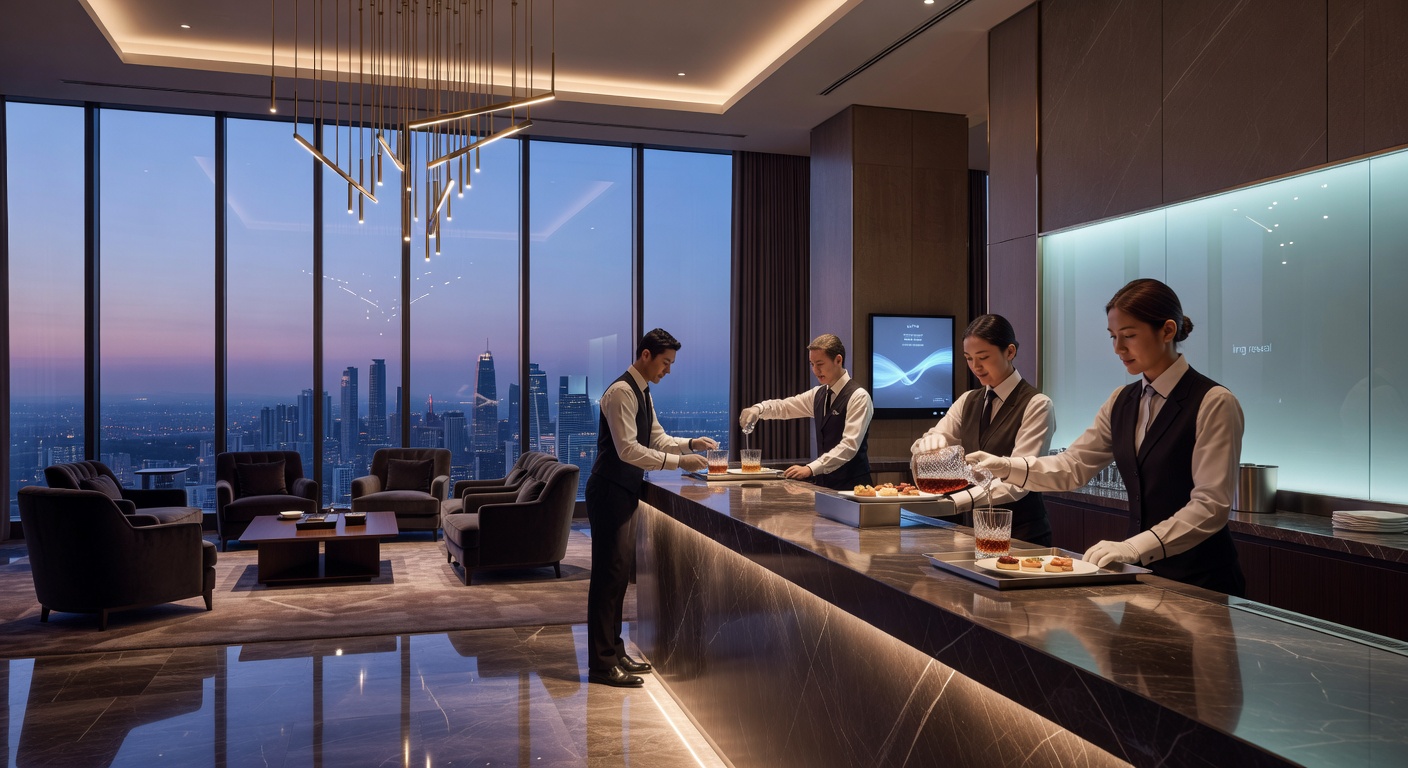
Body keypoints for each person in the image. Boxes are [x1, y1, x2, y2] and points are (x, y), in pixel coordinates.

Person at [967, 278, 1246, 595]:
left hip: (1203, 581)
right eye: (1114, 337)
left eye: (1128, 336)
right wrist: (1006, 467)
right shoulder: (1122, 401)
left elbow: (1211, 506)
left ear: (1168, 331)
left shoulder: (1213, 402)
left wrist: (1135, 547)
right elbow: (1073, 466)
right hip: (1142, 578)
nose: (1118, 348)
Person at [586, 328, 716, 688]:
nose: (668, 371)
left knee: (618, 576)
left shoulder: (642, 393)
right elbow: (628, 450)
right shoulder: (619, 393)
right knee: (607, 578)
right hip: (609, 489)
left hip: (625, 490)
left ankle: (614, 650)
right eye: (665, 362)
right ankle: (601, 663)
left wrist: (689, 444)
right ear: (646, 355)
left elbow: (655, 437)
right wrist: (679, 463)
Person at [911, 314, 1054, 545]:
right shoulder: (968, 400)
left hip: (1022, 534)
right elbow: (935, 437)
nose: (975, 367)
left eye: (983, 357)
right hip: (973, 531)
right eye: (968, 358)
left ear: (1010, 352)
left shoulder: (1037, 404)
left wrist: (957, 501)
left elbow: (1020, 482)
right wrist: (928, 443)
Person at [738, 333, 873, 490]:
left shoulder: (859, 397)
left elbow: (849, 446)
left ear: (838, 360)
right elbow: (785, 407)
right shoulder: (818, 394)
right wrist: (758, 409)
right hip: (824, 486)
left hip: (855, 488)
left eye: (820, 364)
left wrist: (810, 468)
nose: (815, 370)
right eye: (812, 364)